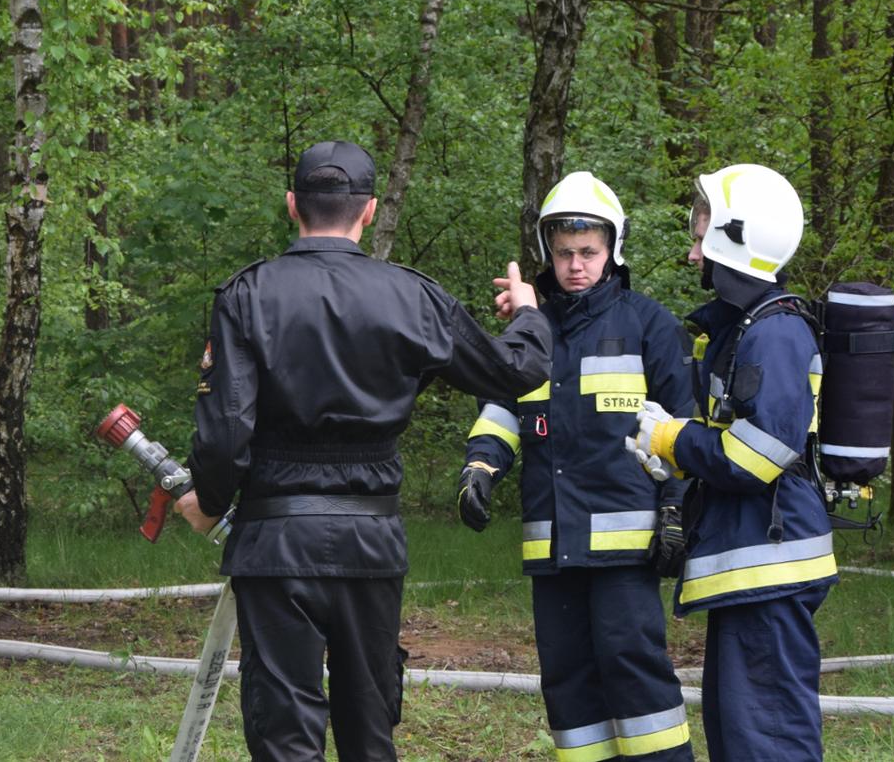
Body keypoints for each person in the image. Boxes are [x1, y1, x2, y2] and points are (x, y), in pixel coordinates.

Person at [179, 140, 553, 761]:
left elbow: (225, 428)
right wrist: (529, 312)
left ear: (292, 205)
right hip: (370, 540)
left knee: (285, 736)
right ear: (371, 210)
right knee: (369, 728)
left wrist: (211, 501)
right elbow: (518, 372)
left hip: (276, 542)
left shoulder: (247, 294)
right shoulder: (412, 297)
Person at [457, 171, 694, 762]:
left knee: (636, 674)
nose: (576, 266)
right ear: (548, 253)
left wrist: (676, 510)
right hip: (552, 545)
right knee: (566, 683)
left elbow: (686, 428)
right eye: (564, 254)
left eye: (588, 252)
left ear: (614, 248)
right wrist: (481, 467)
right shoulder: (531, 332)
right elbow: (502, 409)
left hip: (627, 545)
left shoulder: (649, 324)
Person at [628, 163, 835, 761]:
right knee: (740, 737)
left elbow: (757, 457)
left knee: (766, 741)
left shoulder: (774, 333)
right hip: (749, 570)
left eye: (700, 237)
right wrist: (678, 459)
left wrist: (674, 439)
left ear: (734, 239)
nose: (693, 255)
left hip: (767, 570)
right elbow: (739, 439)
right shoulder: (749, 328)